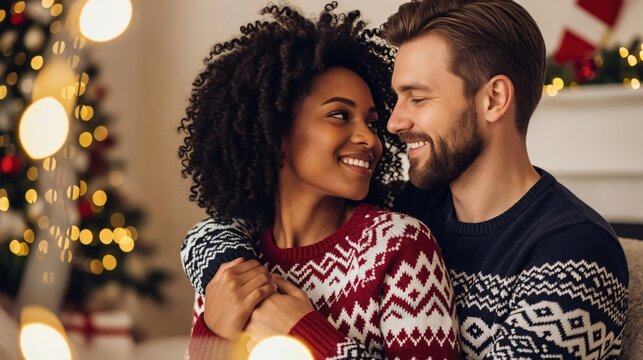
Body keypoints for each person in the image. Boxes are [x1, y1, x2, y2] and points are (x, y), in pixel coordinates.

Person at [182, 0, 630, 359]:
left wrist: (306, 335)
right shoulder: (414, 202)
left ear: (493, 99)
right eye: (396, 100)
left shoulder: (574, 251)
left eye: (417, 98)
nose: (392, 125)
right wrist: (231, 274)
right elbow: (232, 227)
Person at [178, 3, 460, 359]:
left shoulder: (399, 246)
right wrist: (213, 331)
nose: (371, 139)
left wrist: (309, 334)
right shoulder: (229, 264)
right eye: (340, 115)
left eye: (371, 122)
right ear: (275, 129)